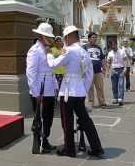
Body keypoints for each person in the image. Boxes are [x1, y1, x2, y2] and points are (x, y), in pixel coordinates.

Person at [47, 25, 104, 158]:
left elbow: (54, 65)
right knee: (85, 120)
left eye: (65, 37)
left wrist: (49, 55)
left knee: (67, 121)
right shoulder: (83, 51)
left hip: (67, 91)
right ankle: (97, 147)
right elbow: (89, 73)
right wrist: (83, 87)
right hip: (79, 91)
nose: (65, 40)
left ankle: (69, 149)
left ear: (69, 36)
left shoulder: (69, 50)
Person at [26, 23, 57, 153]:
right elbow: (30, 72)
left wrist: (55, 86)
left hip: (49, 88)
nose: (49, 39)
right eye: (47, 36)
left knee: (49, 117)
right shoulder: (35, 50)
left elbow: (52, 69)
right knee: (39, 117)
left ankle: (45, 140)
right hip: (40, 90)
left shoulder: (49, 49)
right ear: (41, 36)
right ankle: (38, 141)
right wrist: (35, 92)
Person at [83, 32, 107, 108]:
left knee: (100, 87)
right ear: (89, 38)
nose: (94, 39)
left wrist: (104, 67)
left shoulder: (98, 47)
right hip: (88, 71)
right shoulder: (84, 47)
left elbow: (102, 58)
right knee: (90, 88)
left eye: (95, 37)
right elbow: (81, 59)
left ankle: (102, 102)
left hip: (98, 71)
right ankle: (91, 102)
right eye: (93, 37)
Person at [106, 41, 127, 106]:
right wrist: (107, 71)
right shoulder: (110, 53)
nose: (113, 47)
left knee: (121, 85)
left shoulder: (122, 51)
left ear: (116, 44)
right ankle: (115, 98)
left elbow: (125, 60)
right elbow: (108, 62)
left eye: (114, 45)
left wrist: (125, 68)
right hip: (113, 70)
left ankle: (120, 99)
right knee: (114, 85)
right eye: (111, 46)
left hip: (121, 69)